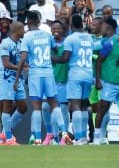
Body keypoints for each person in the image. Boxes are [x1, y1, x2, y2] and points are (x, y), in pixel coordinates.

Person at [14, 11, 72, 145]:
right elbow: (55, 50)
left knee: (37, 107)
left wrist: (17, 79)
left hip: (35, 74)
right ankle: (64, 132)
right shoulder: (47, 35)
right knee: (54, 104)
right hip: (48, 73)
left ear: (28, 22)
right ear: (39, 21)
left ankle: (38, 138)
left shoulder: (27, 37)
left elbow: (23, 59)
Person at [51, 14, 93, 145]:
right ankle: (84, 137)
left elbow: (64, 58)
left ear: (71, 26)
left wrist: (51, 57)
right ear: (82, 24)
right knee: (84, 106)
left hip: (75, 75)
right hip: (88, 74)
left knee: (75, 106)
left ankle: (79, 137)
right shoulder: (89, 38)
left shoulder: (71, 39)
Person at [0, 22, 27, 145]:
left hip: (17, 79)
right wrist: (20, 68)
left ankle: (5, 132)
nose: (24, 32)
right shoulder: (5, 43)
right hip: (6, 79)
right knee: (7, 107)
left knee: (23, 107)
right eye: (23, 29)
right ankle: (9, 138)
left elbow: (19, 61)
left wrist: (24, 65)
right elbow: (6, 64)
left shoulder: (20, 44)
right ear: (18, 30)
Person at [50, 20, 70, 145]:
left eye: (58, 28)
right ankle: (55, 137)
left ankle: (65, 135)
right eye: (53, 28)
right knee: (52, 109)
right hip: (50, 80)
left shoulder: (67, 43)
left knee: (63, 108)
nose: (56, 30)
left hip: (64, 80)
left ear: (62, 30)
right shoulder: (47, 43)